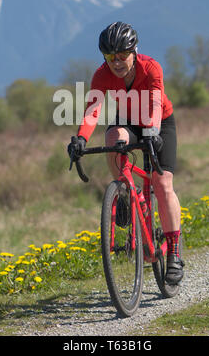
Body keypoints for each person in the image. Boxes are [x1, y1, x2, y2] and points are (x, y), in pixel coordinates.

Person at [67, 22, 184, 284]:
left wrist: (152, 132)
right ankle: (124, 193)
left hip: (160, 122)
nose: (117, 62)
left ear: (134, 51)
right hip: (129, 121)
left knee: (162, 183)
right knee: (113, 137)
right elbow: (92, 111)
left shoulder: (151, 67)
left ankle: (174, 252)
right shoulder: (102, 75)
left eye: (122, 56)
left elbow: (154, 100)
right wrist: (81, 138)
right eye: (110, 57)